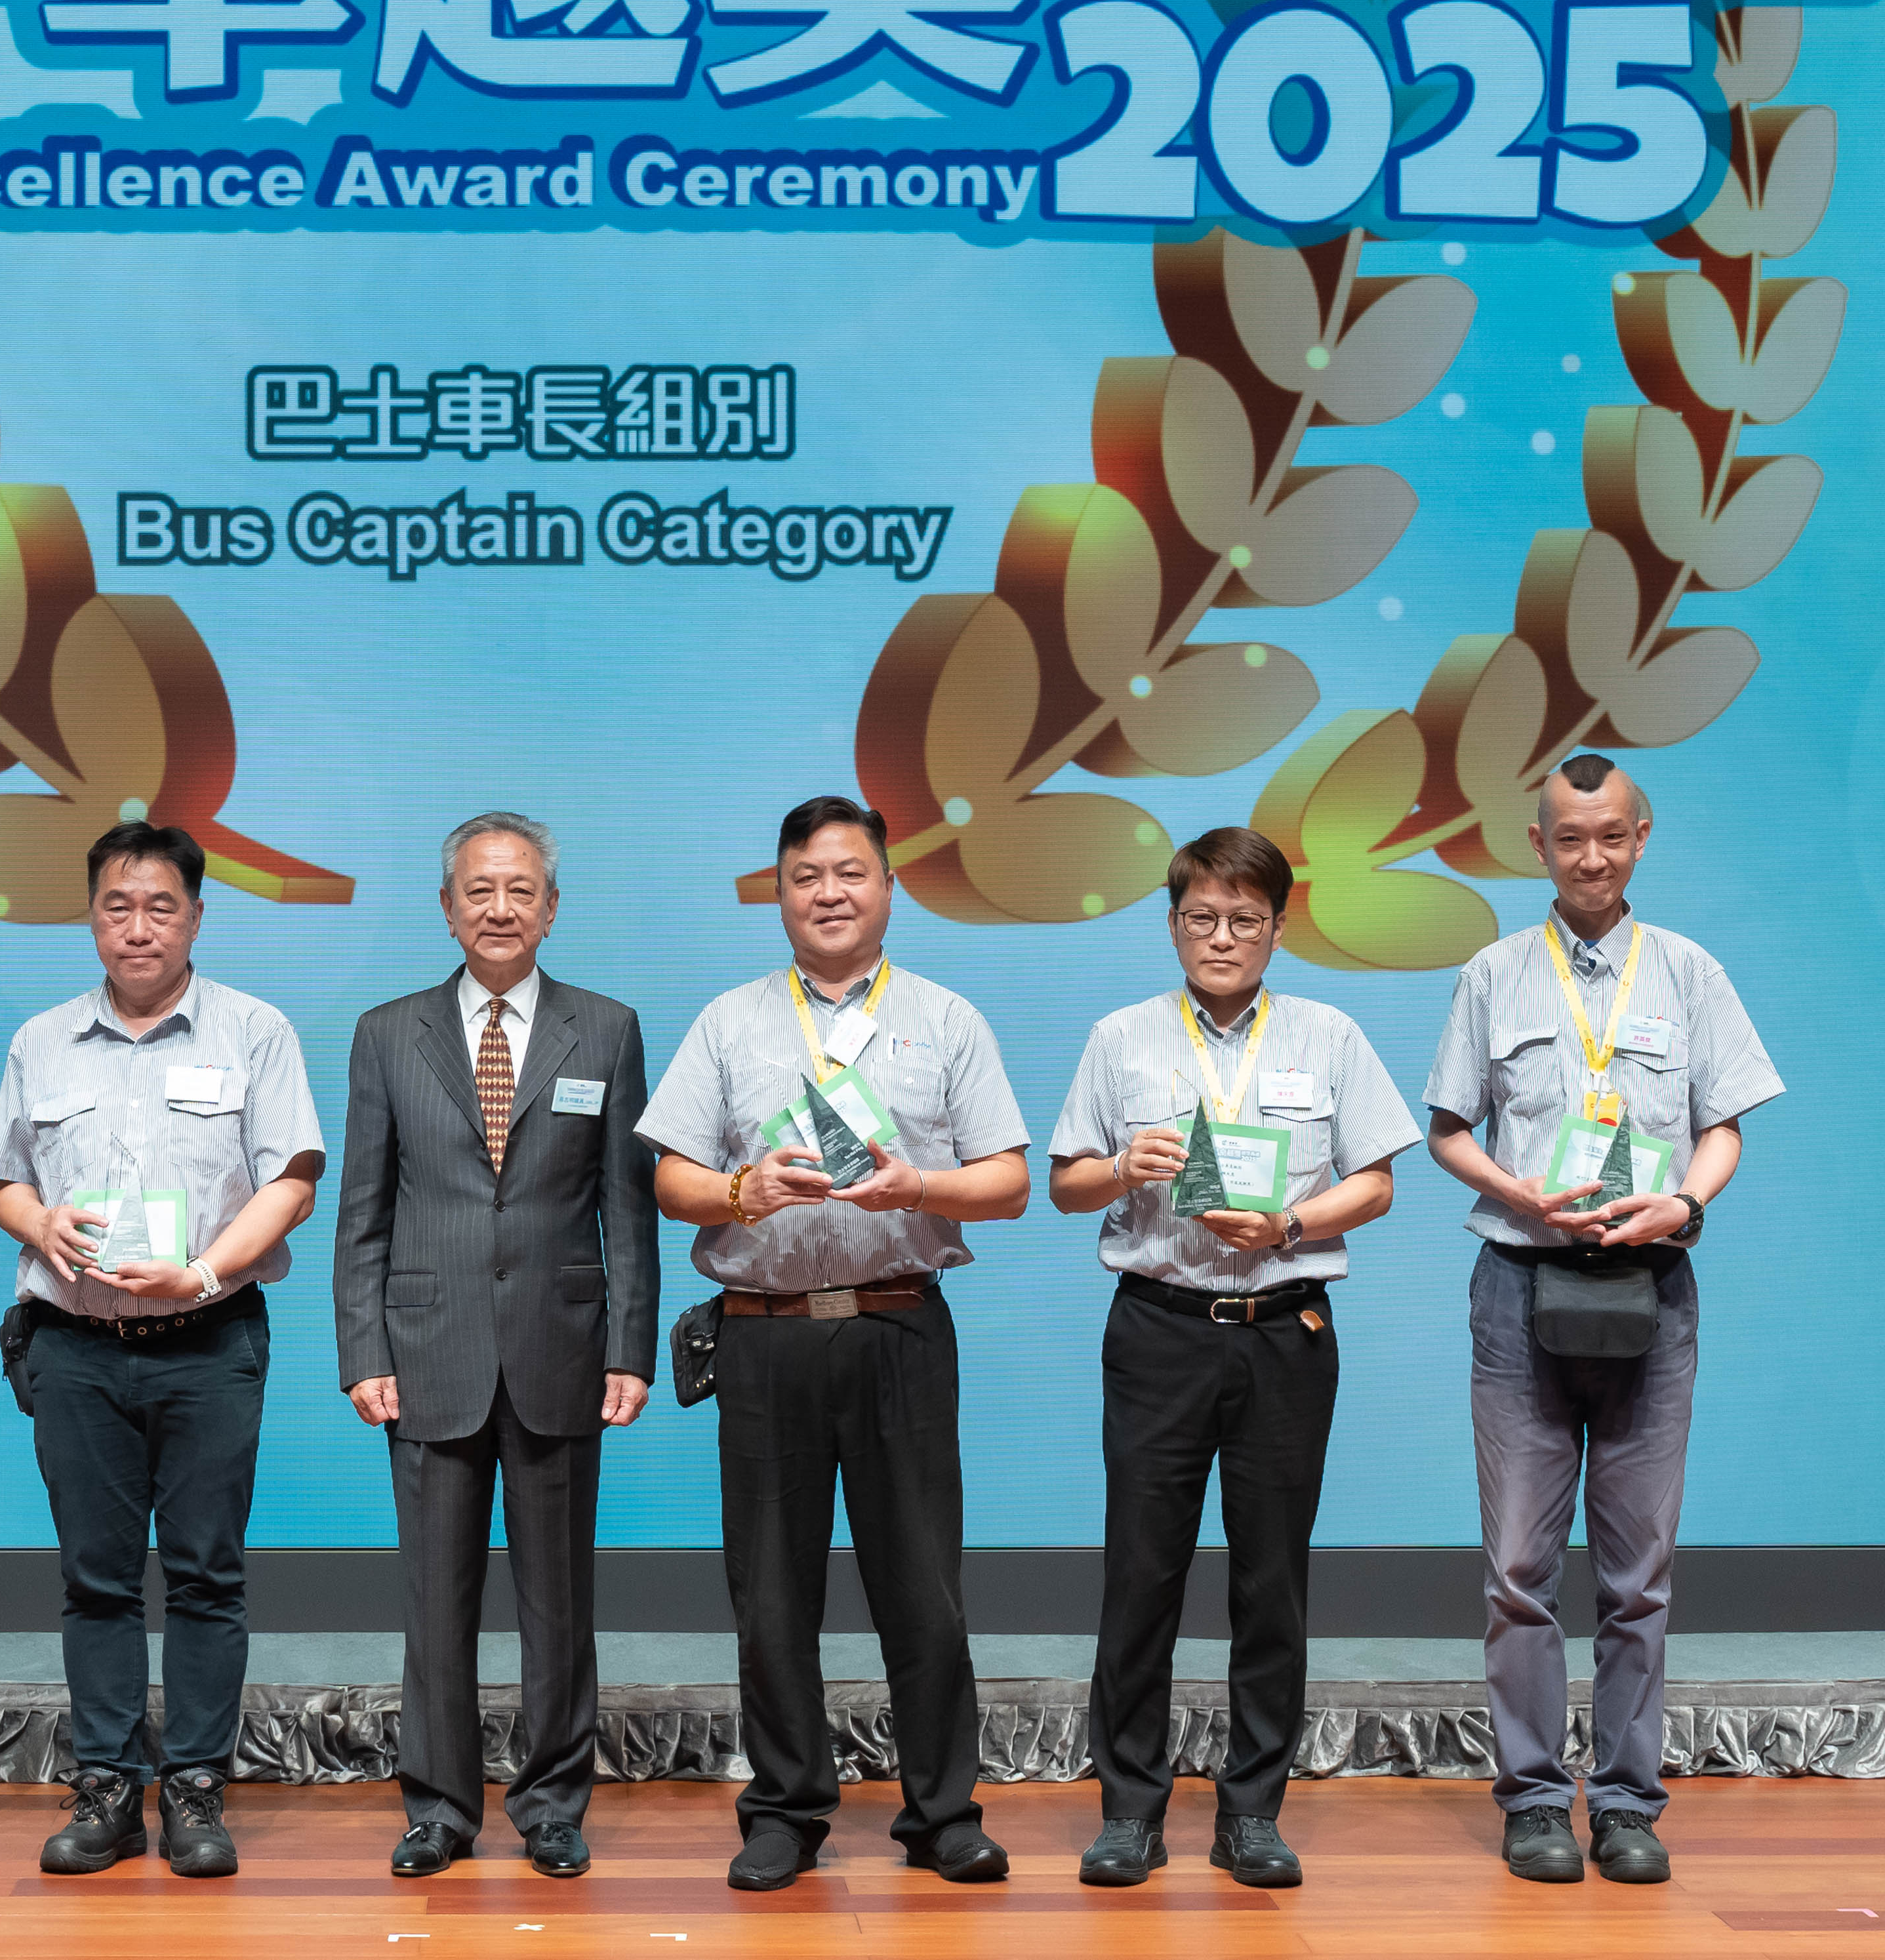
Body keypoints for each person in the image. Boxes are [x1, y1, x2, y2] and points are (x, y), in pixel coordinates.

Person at [641, 794, 1030, 1893]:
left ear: (889, 888)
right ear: (778, 892)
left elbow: (1006, 1179)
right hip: (764, 1339)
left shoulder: (946, 1019)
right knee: (769, 1592)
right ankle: (785, 1809)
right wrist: (738, 1187)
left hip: (900, 1323)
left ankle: (945, 1811)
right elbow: (668, 1176)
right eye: (806, 874)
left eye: (851, 872)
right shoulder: (730, 1022)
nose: (829, 892)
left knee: (924, 1586)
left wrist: (925, 1182)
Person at [1419, 752, 1783, 1889]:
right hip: (1521, 1289)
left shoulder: (1689, 972)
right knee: (1521, 1568)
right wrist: (1518, 1189)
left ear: (1642, 838)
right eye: (1570, 837)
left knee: (1638, 1576)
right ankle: (1533, 1800)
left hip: (1651, 1292)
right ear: (1538, 844)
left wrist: (1686, 1196)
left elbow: (1725, 1123)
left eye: (1612, 835)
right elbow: (1446, 1129)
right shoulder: (1493, 971)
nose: (1592, 855)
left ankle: (1626, 1802)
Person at [1045, 826, 1418, 1890]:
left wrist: (1292, 1224)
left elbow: (1378, 1182)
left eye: (1244, 918)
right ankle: (1130, 1811)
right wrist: (1122, 1165)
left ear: (1277, 928)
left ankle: (1253, 1812)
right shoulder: (1122, 1036)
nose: (1223, 935)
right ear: (1172, 925)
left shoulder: (1328, 1032)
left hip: (1284, 1329)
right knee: (1141, 1575)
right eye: (1202, 916)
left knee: (1272, 1583)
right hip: (1159, 1326)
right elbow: (1066, 1183)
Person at [0, 820, 325, 1879]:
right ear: (92, 918)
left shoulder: (255, 1029)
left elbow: (293, 1178)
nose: (138, 927)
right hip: (75, 1348)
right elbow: (5, 1180)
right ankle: (104, 1792)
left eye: (160, 906)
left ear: (196, 917)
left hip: (209, 1339)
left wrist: (206, 1272)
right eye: (118, 907)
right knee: (96, 1580)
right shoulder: (42, 1039)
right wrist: (40, 1226)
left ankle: (195, 1789)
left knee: (207, 1575)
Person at [333, 811, 659, 1880]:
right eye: (479, 889)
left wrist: (631, 1345)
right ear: (447, 907)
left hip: (562, 1347)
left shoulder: (606, 1029)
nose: (500, 907)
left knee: (560, 1602)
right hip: (426, 1351)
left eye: (521, 890)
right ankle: (438, 1805)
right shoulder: (388, 1033)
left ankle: (555, 1801)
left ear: (552, 907)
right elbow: (364, 1212)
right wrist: (361, 1348)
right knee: (437, 1603)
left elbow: (628, 1207)